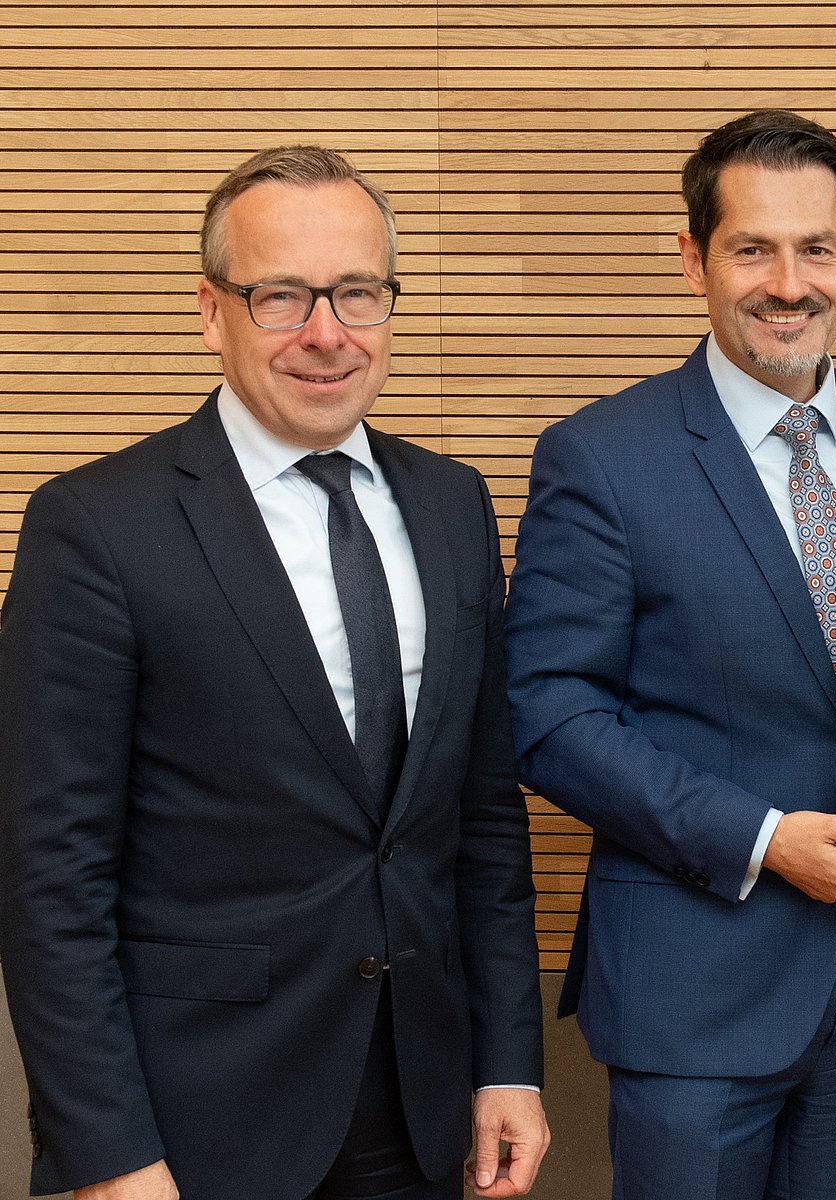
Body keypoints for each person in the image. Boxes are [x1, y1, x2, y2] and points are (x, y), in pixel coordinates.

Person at [0, 146, 548, 1200]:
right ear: (213, 313)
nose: (327, 332)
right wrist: (106, 1153)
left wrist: (509, 1062)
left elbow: (483, 821)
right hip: (195, 1127)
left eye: (359, 292)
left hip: (424, 1110)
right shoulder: (96, 527)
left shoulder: (452, 505)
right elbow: (48, 878)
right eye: (282, 296)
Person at [505, 109, 836, 1200]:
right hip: (693, 990)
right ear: (693, 259)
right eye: (752, 247)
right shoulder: (604, 455)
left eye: (816, 247)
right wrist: (760, 838)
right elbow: (550, 713)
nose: (788, 282)